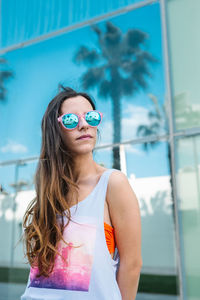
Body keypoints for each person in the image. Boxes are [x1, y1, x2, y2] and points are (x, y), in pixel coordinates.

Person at [21, 86, 142, 300]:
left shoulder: (112, 183)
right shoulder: (49, 191)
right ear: (55, 130)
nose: (84, 124)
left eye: (91, 117)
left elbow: (131, 265)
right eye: (70, 120)